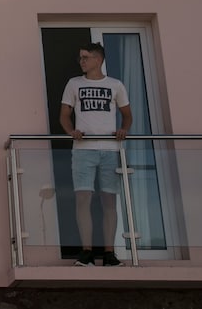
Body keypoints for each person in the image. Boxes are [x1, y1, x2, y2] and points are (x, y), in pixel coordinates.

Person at [59, 41, 132, 267]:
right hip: (83, 150)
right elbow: (64, 115)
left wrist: (123, 130)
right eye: (80, 57)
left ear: (98, 60)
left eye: (85, 57)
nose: (81, 61)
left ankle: (109, 253)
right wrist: (72, 132)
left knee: (109, 200)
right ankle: (87, 251)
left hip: (110, 149)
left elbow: (127, 115)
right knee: (83, 199)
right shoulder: (74, 84)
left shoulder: (115, 84)